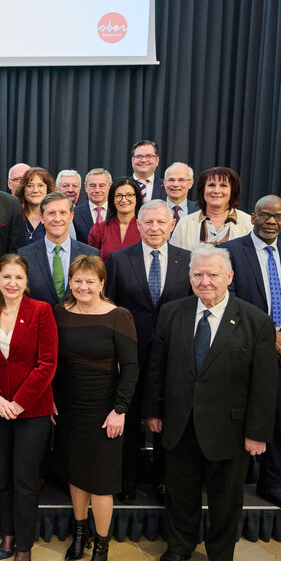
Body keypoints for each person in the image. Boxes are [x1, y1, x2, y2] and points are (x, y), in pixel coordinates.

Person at [143, 245, 275, 561]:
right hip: (178, 422)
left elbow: (264, 385)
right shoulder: (172, 313)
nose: (205, 281)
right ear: (189, 277)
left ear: (229, 278)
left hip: (229, 430)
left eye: (213, 275)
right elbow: (157, 367)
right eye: (198, 274)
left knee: (225, 499)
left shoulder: (256, 321)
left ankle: (220, 559)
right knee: (179, 491)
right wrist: (153, 411)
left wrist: (257, 432)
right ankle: (179, 547)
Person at [220, 196, 281, 514]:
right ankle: (231, 482)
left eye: (278, 216)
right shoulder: (232, 252)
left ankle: (272, 483)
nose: (271, 221)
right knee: (236, 418)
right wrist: (267, 335)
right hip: (244, 350)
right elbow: (228, 300)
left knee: (279, 419)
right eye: (265, 215)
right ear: (254, 217)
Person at [53, 255, 138, 561]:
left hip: (105, 411)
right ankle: (79, 533)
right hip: (69, 407)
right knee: (76, 474)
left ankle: (101, 546)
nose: (83, 286)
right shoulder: (60, 313)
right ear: (70, 283)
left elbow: (131, 368)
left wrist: (120, 410)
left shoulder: (119, 316)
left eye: (90, 281)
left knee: (101, 483)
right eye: (78, 281)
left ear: (102, 284)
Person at [105, 200, 192, 505]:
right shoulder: (117, 260)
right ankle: (127, 478)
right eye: (148, 223)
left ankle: (162, 479)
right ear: (138, 226)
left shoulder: (188, 261)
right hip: (131, 356)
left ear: (172, 225)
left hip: (173, 359)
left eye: (161, 222)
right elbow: (109, 309)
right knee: (127, 423)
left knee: (166, 421)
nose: (155, 228)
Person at [0, 254, 58, 561]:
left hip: (32, 411)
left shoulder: (41, 311)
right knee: (3, 474)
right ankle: (7, 534)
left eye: (18, 278)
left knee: (24, 477)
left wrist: (19, 402)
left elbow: (47, 364)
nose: (12, 283)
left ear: (27, 282)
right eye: (6, 277)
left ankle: (24, 544)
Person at [19, 192, 98, 306]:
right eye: (51, 213)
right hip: (39, 323)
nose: (57, 219)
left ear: (71, 217)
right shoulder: (24, 256)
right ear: (42, 217)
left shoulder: (91, 254)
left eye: (62, 213)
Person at [170, 167, 252, 250]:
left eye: (223, 185)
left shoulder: (249, 224)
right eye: (211, 185)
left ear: (232, 190)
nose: (216, 191)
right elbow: (175, 259)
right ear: (203, 190)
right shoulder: (185, 224)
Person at [88, 177, 142, 261]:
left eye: (129, 195)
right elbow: (93, 265)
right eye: (119, 196)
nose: (124, 200)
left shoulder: (145, 228)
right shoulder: (99, 229)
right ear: (112, 199)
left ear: (137, 198)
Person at [14, 167, 56, 245]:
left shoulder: (56, 217)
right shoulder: (14, 215)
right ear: (23, 189)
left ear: (48, 189)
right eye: (30, 186)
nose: (35, 190)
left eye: (40, 185)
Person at [73, 168, 112, 241]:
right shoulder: (75, 214)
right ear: (85, 187)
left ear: (110, 186)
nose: (97, 190)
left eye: (102, 185)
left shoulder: (118, 212)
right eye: (93, 186)